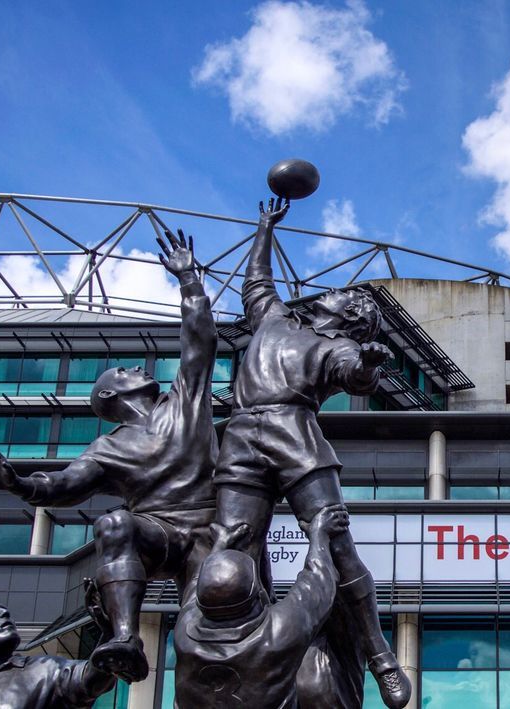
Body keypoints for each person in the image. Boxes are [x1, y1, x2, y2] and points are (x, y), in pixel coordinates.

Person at [0, 229, 218, 683]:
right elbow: (61, 486)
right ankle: (125, 638)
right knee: (113, 522)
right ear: (109, 394)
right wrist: (14, 483)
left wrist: (189, 281)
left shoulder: (184, 401)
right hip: (159, 531)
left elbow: (199, 340)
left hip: (211, 526)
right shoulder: (107, 448)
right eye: (124, 369)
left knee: (202, 632)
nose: (137, 367)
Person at [211, 198, 410, 707]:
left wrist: (368, 366)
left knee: (336, 540)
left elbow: (355, 375)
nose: (336, 293)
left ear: (351, 319)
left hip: (293, 432)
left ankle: (380, 656)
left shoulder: (338, 346)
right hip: (239, 437)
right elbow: (256, 282)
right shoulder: (275, 319)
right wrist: (264, 230)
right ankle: (235, 657)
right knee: (233, 546)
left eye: (347, 297)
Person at [172, 507, 348, 708]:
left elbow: (196, 586)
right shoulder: (277, 631)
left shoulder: (185, 632)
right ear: (255, 594)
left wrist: (219, 546)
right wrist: (319, 535)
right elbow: (318, 581)